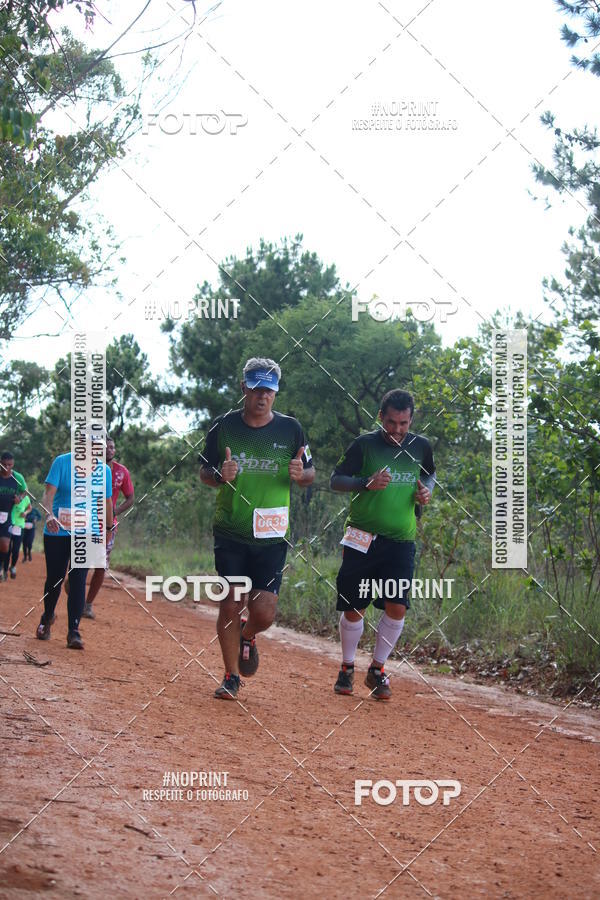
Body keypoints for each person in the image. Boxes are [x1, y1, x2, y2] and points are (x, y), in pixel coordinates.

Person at [200, 357, 315, 700]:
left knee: (264, 610)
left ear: (275, 393)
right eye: (255, 389)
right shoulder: (223, 427)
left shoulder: (291, 429)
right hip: (231, 531)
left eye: (268, 390)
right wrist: (221, 474)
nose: (261, 396)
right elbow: (204, 473)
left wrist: (301, 475)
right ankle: (231, 675)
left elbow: (310, 473)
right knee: (231, 603)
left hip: (271, 534)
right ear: (243, 388)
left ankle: (248, 636)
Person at [330, 389, 435, 700]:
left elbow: (429, 475)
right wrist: (366, 483)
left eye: (403, 423)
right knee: (355, 607)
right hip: (362, 538)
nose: (397, 430)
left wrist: (425, 492)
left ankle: (377, 669)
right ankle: (347, 667)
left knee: (397, 606)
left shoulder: (421, 446)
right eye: (391, 422)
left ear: (411, 420)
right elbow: (336, 480)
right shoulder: (364, 445)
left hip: (401, 540)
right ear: (381, 417)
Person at [36, 440, 113, 650]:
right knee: (55, 577)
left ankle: (74, 631)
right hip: (58, 531)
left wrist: (107, 530)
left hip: (87, 533)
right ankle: (47, 616)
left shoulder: (104, 470)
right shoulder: (62, 462)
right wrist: (49, 515)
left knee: (78, 579)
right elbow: (48, 495)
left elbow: (107, 503)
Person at [82, 435, 134, 619]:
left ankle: (87, 605)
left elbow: (130, 497)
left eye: (112, 447)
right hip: (87, 522)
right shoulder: (88, 468)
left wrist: (115, 511)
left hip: (108, 526)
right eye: (106, 447)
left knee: (100, 566)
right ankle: (72, 588)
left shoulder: (121, 472)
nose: (110, 450)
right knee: (82, 562)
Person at [0, 452, 27, 583]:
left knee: (5, 545)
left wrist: (20, 499)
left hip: (7, 516)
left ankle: (3, 567)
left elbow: (25, 490)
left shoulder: (17, 477)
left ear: (13, 464)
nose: (6, 467)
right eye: (4, 464)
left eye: (9, 465)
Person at [5, 493, 32, 578]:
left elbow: (29, 507)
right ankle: (4, 570)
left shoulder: (26, 498)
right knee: (7, 549)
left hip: (19, 526)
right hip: (9, 524)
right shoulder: (11, 495)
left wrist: (25, 512)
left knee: (16, 550)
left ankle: (12, 566)